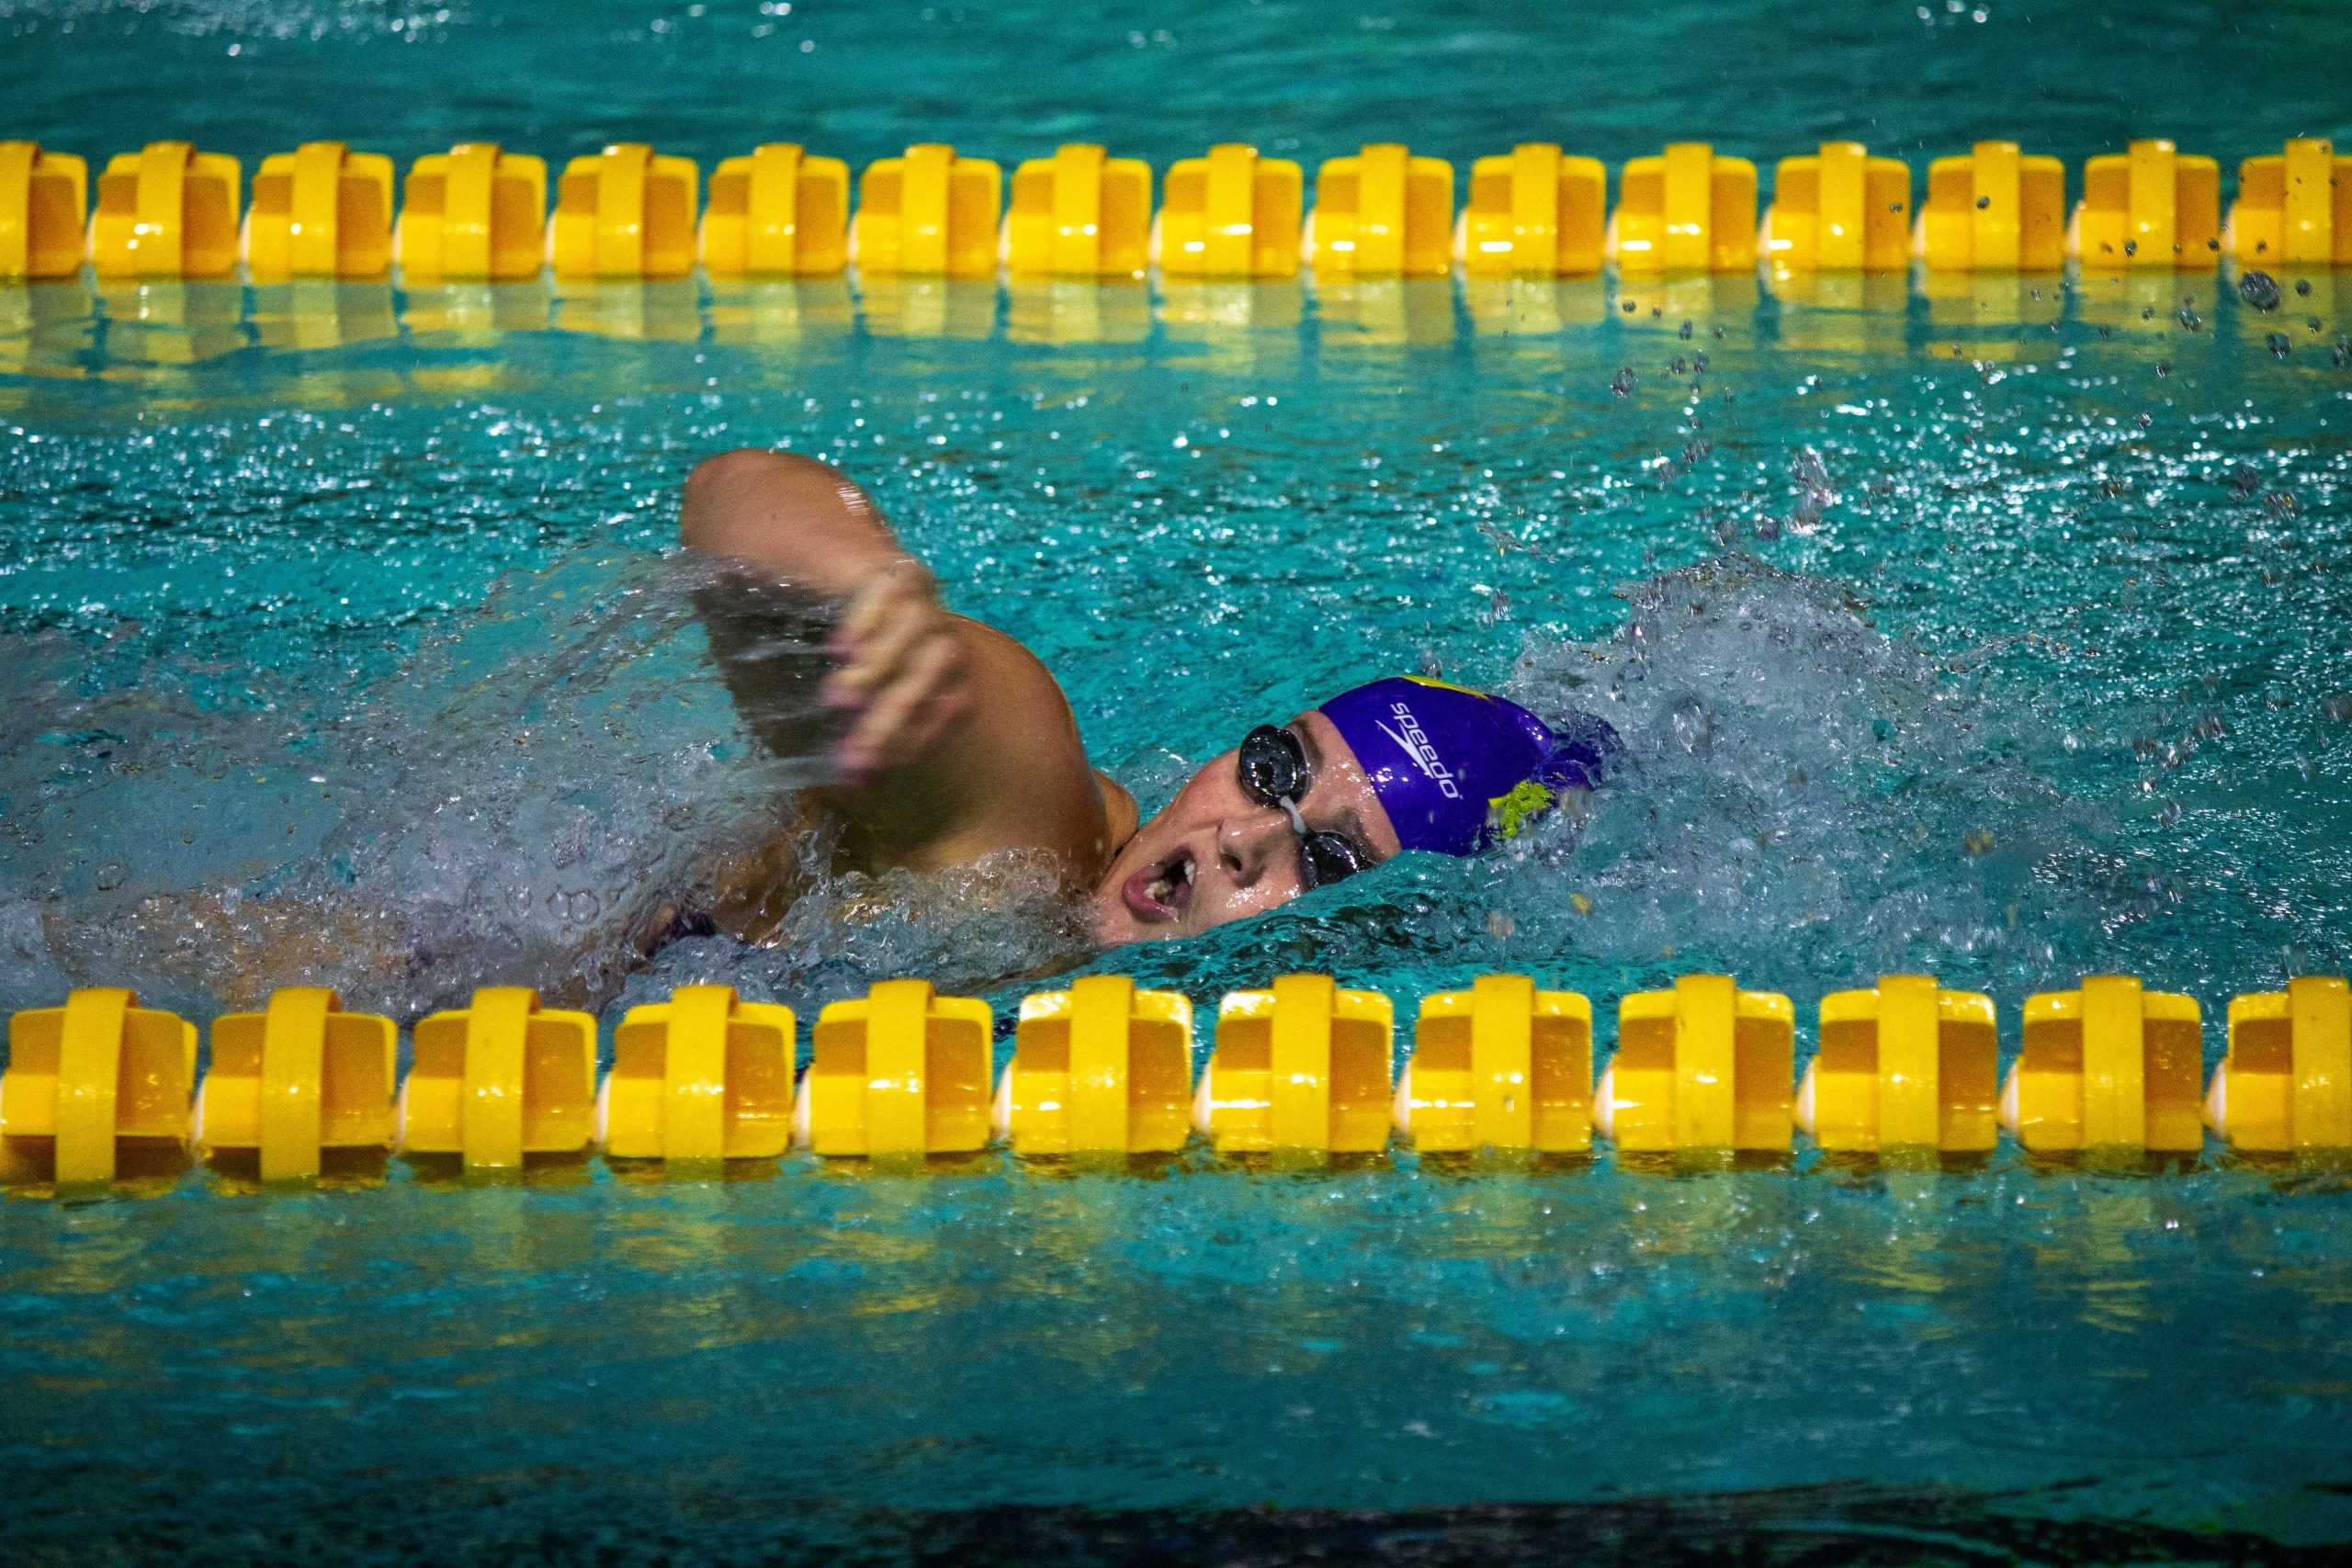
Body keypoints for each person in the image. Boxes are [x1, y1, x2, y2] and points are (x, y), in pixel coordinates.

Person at [681, 448, 1618, 948]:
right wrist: (863, 581)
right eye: (1273, 768)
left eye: (1328, 860)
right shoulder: (1024, 832)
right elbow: (733, 493)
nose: (1241, 838)